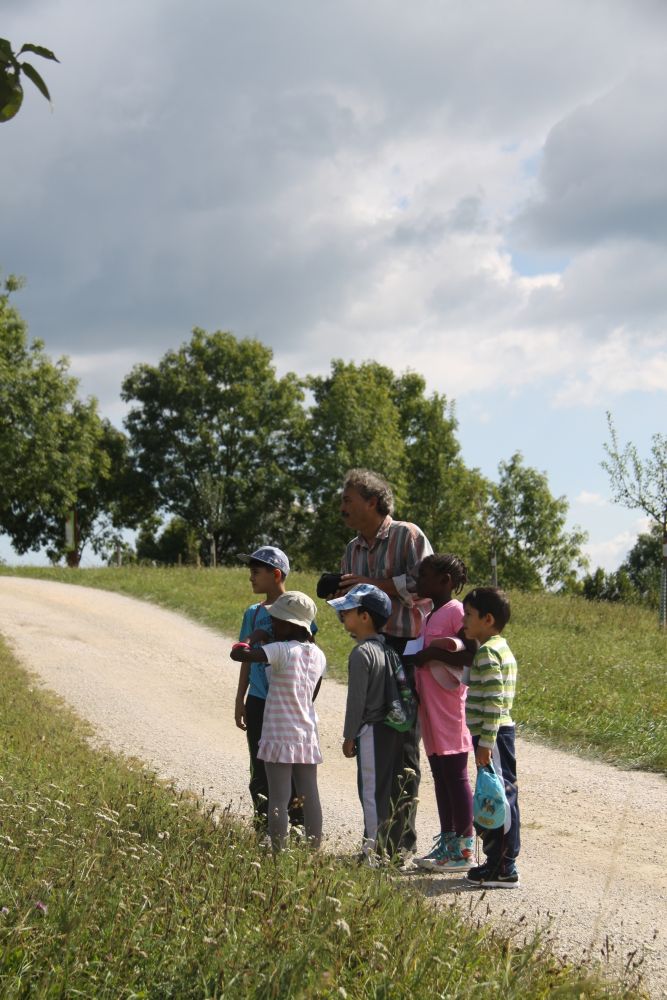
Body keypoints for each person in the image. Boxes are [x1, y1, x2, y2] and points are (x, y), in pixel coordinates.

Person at [338, 468, 433, 857]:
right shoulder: (351, 549)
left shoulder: (407, 535)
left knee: (403, 747)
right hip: (371, 649)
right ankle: (375, 840)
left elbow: (427, 585)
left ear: (372, 501)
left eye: (348, 500)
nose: (342, 507)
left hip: (406, 650)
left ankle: (401, 843)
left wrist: (373, 585)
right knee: (371, 745)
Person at [230, 591, 326, 851]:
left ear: (291, 624)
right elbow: (312, 694)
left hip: (278, 734)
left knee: (278, 799)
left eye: (276, 620)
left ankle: (278, 853)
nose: (272, 625)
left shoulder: (280, 650)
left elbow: (238, 654)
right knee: (310, 797)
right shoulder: (319, 655)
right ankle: (313, 853)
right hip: (307, 735)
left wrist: (254, 637)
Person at [234, 546, 314, 833]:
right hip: (258, 701)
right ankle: (264, 827)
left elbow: (310, 658)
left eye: (256, 572)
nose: (251, 577)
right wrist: (240, 699)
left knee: (291, 766)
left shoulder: (299, 609)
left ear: (276, 574)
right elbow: (245, 658)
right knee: (260, 766)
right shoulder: (253, 612)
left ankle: (297, 826)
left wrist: (307, 701)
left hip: (289, 705)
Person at [327, 583, 406, 862]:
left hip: (371, 731)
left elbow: (356, 702)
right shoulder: (387, 650)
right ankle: (384, 848)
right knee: (384, 791)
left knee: (370, 793)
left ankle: (372, 853)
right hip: (392, 730)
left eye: (347, 611)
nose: (342, 616)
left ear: (364, 617)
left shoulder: (361, 654)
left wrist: (349, 736)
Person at [410, 554, 475, 872]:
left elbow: (470, 652)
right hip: (430, 707)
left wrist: (431, 655)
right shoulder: (429, 612)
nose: (418, 581)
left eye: (424, 575)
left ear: (445, 581)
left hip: (449, 708)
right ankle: (448, 844)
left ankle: (464, 850)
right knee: (440, 775)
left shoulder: (456, 611)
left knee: (455, 774)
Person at [461, 586, 521, 888]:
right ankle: (498, 861)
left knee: (498, 798)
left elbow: (495, 701)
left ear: (488, 619)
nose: (464, 621)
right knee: (497, 794)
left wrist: (486, 742)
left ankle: (502, 865)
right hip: (496, 734)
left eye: (469, 615)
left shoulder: (487, 652)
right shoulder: (497, 647)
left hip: (492, 735)